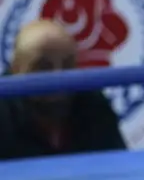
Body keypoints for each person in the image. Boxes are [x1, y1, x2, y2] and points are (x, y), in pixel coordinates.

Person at [0, 19, 126, 161]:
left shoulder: (93, 102)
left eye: (67, 65)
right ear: (16, 69)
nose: (58, 79)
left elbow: (120, 166)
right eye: (43, 67)